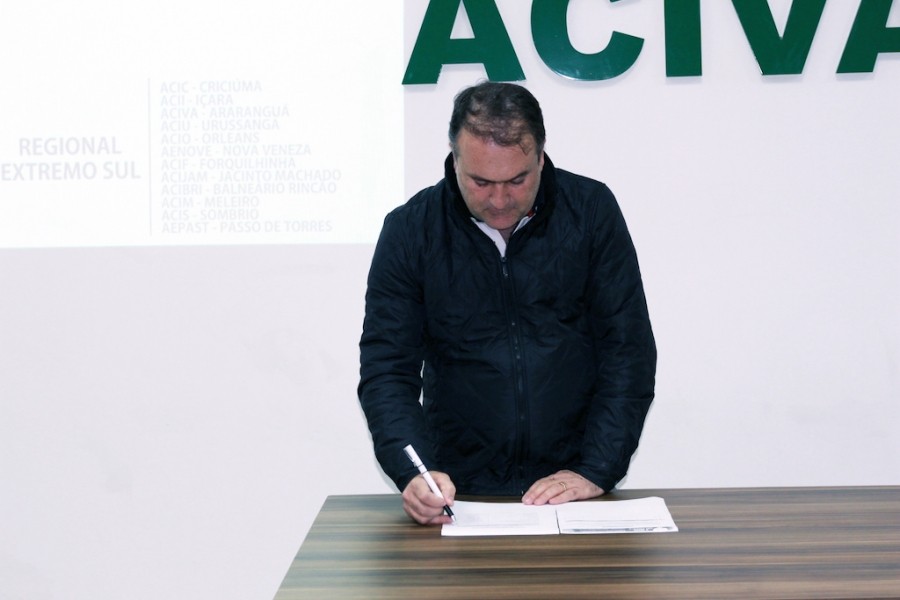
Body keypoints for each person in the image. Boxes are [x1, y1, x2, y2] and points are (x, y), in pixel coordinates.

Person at [358, 81, 656, 525]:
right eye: (480, 182)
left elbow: (627, 350)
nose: (499, 200)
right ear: (454, 159)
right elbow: (387, 370)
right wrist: (414, 471)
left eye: (517, 180)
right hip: (458, 492)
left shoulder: (591, 212)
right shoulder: (411, 231)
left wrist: (596, 467)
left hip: (573, 488)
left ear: (541, 157)